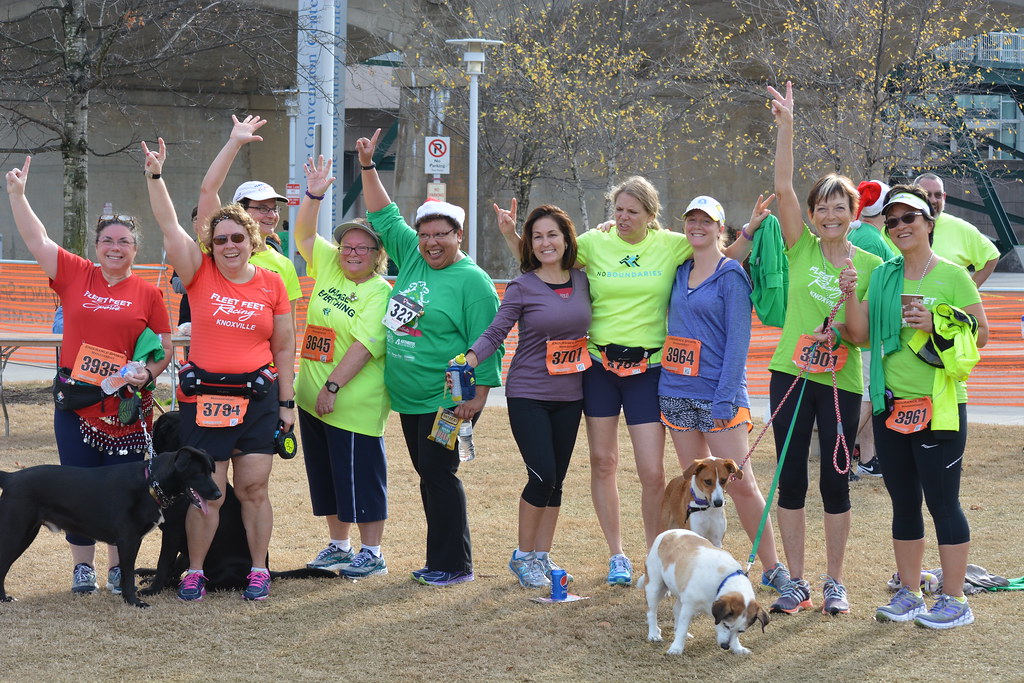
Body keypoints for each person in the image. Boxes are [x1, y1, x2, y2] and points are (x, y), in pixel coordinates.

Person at [497, 177, 759, 586]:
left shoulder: (671, 243)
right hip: (600, 368)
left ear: (650, 216)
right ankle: (617, 555)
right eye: (617, 209)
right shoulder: (594, 242)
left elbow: (717, 254)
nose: (622, 218)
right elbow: (545, 259)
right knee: (604, 463)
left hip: (649, 371)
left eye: (632, 211)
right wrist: (513, 236)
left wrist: (747, 231)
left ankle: (653, 558)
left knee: (651, 472)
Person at [5, 156, 172, 595]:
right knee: (76, 488)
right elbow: (36, 238)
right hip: (77, 405)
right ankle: (84, 568)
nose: (115, 247)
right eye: (107, 240)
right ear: (96, 245)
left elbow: (164, 350)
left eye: (124, 241)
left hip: (127, 409)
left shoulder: (150, 293)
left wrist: (146, 373)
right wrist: (18, 196)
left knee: (126, 490)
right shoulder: (76, 275)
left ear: (136, 248)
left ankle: (120, 568)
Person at [142, 138, 295, 602]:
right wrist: (156, 175)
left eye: (238, 237)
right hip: (205, 398)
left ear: (255, 240)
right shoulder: (198, 271)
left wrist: (287, 404)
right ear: (212, 242)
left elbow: (285, 347)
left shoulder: (272, 282)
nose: (230, 244)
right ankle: (193, 571)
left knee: (253, 488)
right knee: (208, 493)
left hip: (260, 398)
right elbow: (170, 221)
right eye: (221, 238)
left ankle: (257, 571)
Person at [357, 128, 502, 587]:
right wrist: (366, 166)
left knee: (439, 475)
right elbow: (382, 213)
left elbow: (489, 339)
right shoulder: (413, 256)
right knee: (428, 474)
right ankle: (441, 559)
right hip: (411, 395)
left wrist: (476, 398)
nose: (432, 243)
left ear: (459, 235)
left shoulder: (472, 280)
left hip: (449, 398)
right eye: (425, 235)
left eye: (442, 235)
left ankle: (453, 565)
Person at [766, 82, 882, 615]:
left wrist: (850, 298)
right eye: (822, 207)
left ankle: (834, 581)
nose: (829, 215)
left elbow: (860, 338)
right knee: (790, 479)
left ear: (853, 212)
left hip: (840, 380)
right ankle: (796, 581)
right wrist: (787, 124)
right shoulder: (801, 247)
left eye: (840, 207)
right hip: (791, 374)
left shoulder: (871, 267)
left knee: (835, 481)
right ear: (812, 214)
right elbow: (784, 188)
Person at [858, 185, 988, 628]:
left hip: (939, 406)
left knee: (943, 503)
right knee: (904, 503)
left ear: (929, 222)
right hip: (891, 406)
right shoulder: (883, 275)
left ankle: (955, 600)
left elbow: (981, 334)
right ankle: (911, 594)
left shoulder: (952, 275)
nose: (899, 227)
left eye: (908, 218)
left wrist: (937, 323)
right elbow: (861, 333)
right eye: (891, 220)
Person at [659, 195, 791, 594]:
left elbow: (738, 343)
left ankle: (772, 567)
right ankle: (702, 567)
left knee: (742, 484)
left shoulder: (731, 274)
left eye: (706, 221)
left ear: (720, 228)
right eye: (691, 219)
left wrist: (724, 398)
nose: (697, 226)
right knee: (699, 492)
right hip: (676, 392)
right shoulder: (679, 270)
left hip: (720, 397)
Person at [459, 202, 591, 589]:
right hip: (529, 393)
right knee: (542, 475)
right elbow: (496, 331)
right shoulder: (523, 286)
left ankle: (541, 554)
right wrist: (469, 358)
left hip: (572, 394)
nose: (546, 242)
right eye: (537, 237)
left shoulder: (583, 280)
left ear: (567, 239)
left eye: (553, 234)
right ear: (529, 245)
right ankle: (522, 556)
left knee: (558, 480)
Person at [293, 155, 392, 579]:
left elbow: (366, 345)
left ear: (377, 255)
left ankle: (372, 552)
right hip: (311, 397)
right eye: (347, 246)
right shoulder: (331, 266)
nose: (352, 253)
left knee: (362, 476)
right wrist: (314, 194)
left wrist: (331, 388)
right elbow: (303, 234)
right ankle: (339, 545)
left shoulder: (378, 292)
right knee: (329, 476)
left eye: (362, 248)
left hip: (350, 400)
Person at [196, 115, 303, 321]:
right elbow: (208, 191)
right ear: (241, 210)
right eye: (262, 208)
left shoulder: (284, 265)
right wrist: (234, 143)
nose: (271, 215)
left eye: (274, 209)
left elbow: (288, 331)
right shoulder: (220, 248)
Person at [849, 180, 895, 479]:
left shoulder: (861, 233)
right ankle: (841, 451)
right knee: (867, 396)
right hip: (867, 332)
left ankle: (867, 459)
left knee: (865, 394)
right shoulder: (874, 241)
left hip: (861, 329)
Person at [904, 173, 1000, 287]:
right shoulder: (897, 227)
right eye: (927, 194)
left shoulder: (961, 228)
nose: (933, 200)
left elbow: (991, 256)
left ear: (944, 197)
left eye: (938, 195)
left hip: (945, 304)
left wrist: (968, 291)